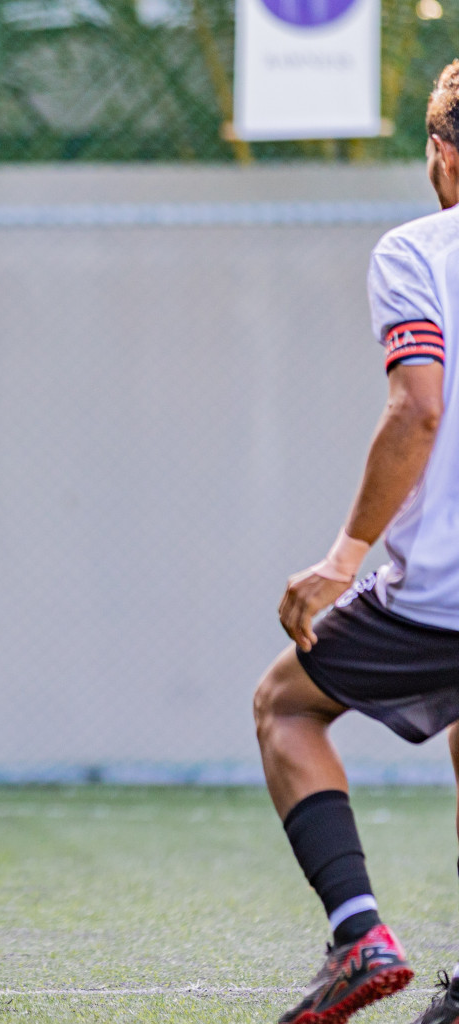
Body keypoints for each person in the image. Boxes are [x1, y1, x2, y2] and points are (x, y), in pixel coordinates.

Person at [253, 62, 459, 1024]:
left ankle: (359, 933)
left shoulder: (418, 249)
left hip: (441, 595)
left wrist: (344, 556)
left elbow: (418, 409)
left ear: (442, 153)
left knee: (284, 706)